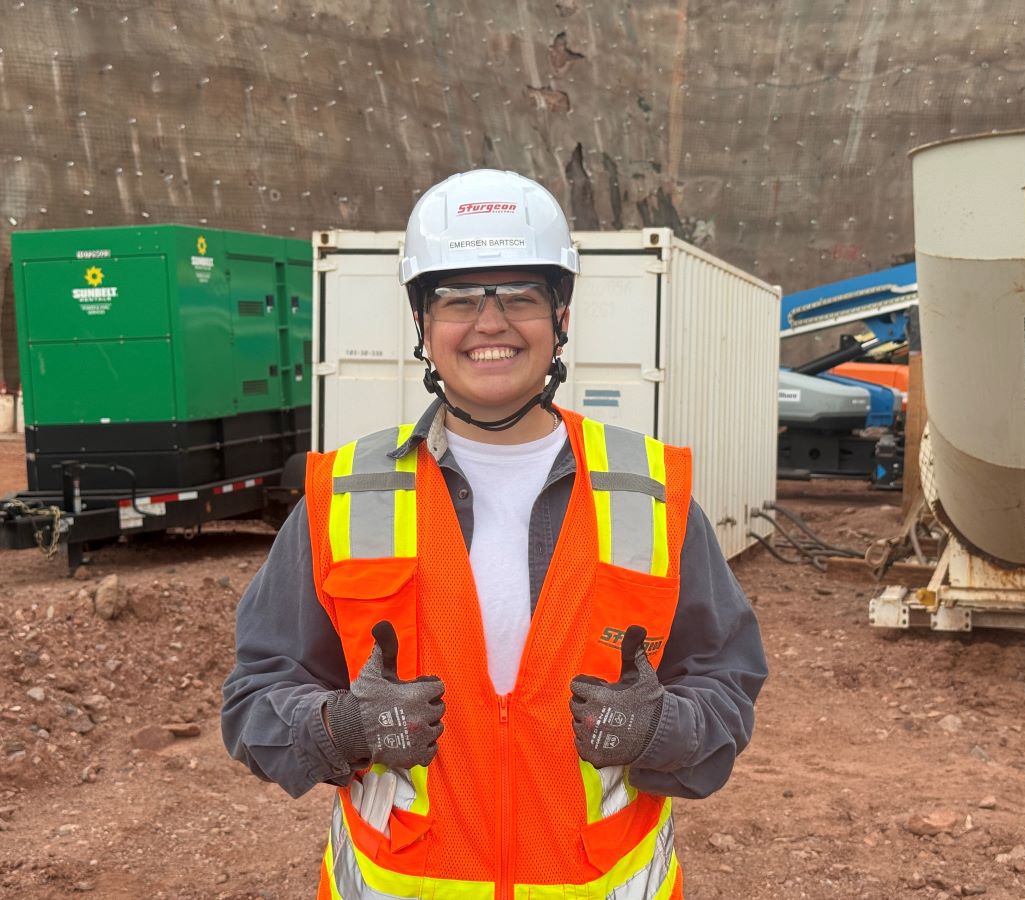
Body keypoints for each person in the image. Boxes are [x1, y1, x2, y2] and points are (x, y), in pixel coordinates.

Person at [221, 168, 767, 900]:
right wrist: (340, 726)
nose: (490, 323)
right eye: (457, 298)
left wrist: (662, 729)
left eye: (519, 296)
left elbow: (726, 679)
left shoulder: (649, 492)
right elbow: (254, 696)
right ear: (422, 323)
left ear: (560, 316)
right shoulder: (343, 496)